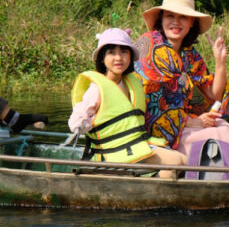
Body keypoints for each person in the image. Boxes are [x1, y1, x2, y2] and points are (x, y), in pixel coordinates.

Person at [133, 0, 229, 178]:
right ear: (161, 19)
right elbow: (151, 104)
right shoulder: (149, 45)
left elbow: (215, 96)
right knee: (218, 134)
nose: (175, 22)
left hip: (181, 125)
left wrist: (220, 62)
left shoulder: (189, 55)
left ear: (191, 23)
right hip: (153, 131)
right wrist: (193, 122)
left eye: (183, 17)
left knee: (224, 128)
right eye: (170, 16)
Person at [69, 28, 187, 179]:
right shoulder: (96, 90)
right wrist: (89, 122)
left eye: (124, 52)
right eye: (111, 52)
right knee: (175, 163)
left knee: (184, 161)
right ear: (102, 58)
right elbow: (74, 124)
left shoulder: (131, 83)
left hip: (134, 147)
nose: (119, 58)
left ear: (130, 56)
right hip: (113, 152)